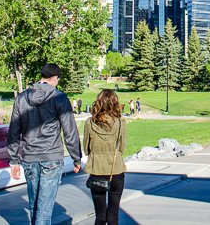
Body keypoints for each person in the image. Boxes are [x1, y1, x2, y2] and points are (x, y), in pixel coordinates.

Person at [7, 63, 82, 225]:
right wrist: (76, 157)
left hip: (29, 157)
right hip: (51, 156)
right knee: (44, 209)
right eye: (58, 80)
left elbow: (14, 131)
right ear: (54, 78)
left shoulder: (21, 98)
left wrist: (13, 160)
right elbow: (69, 130)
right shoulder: (59, 98)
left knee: (34, 206)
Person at [83, 89, 127, 225]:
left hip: (97, 169)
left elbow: (86, 148)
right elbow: (122, 147)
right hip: (116, 169)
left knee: (100, 215)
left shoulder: (90, 122)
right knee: (113, 214)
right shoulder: (120, 123)